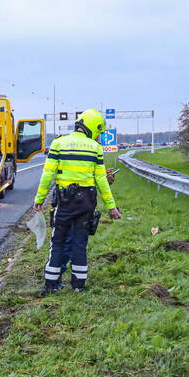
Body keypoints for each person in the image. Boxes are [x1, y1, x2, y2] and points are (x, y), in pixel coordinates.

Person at [34, 108, 122, 293]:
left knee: (57, 242)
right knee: (80, 244)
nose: (98, 136)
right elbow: (101, 181)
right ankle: (79, 287)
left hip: (65, 203)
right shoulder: (95, 149)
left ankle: (51, 285)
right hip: (87, 203)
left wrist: (39, 199)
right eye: (98, 132)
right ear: (92, 128)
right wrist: (111, 207)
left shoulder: (58, 144)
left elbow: (47, 174)